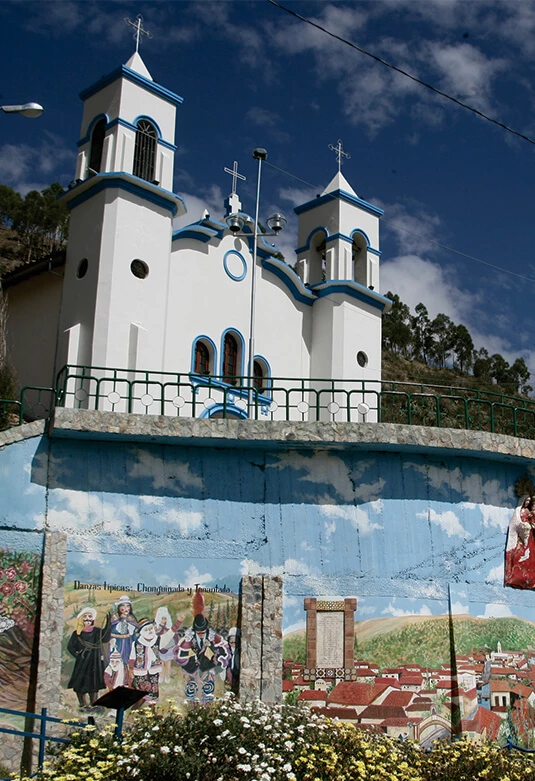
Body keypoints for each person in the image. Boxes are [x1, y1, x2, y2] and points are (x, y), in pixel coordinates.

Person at [175, 591, 231, 703]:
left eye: (203, 632)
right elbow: (179, 654)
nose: (201, 634)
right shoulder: (187, 638)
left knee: (208, 688)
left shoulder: (213, 636)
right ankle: (191, 707)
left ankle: (206, 706)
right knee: (191, 689)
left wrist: (212, 650)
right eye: (199, 632)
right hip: (191, 668)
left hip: (207, 666)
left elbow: (224, 649)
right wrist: (191, 652)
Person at [67, 607, 111, 708]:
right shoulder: (77, 633)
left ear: (93, 619)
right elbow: (70, 646)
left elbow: (105, 638)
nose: (87, 619)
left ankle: (93, 703)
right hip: (82, 662)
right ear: (81, 619)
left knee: (93, 683)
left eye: (89, 616)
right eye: (85, 616)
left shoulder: (96, 631)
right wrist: (77, 654)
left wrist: (109, 624)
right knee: (80, 683)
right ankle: (82, 704)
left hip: (94, 661)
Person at [129, 618, 162, 703]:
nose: (149, 631)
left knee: (154, 684)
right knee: (142, 687)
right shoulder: (136, 643)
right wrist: (131, 669)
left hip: (154, 668)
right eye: (146, 630)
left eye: (150, 628)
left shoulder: (158, 640)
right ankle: (142, 703)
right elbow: (132, 657)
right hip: (140, 670)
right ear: (141, 632)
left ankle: (153, 704)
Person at [505, 496, 535, 589]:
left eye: (529, 501)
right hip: (520, 537)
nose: (527, 502)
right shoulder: (519, 511)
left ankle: (530, 578)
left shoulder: (529, 512)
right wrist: (522, 525)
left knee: (530, 556)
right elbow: (515, 523)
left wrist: (531, 525)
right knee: (518, 555)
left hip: (529, 535)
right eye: (526, 500)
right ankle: (517, 577)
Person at [154, 606, 183, 683]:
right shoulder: (156, 628)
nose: (163, 620)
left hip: (169, 647)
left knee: (168, 662)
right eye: (162, 618)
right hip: (159, 648)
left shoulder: (168, 628)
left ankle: (167, 676)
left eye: (165, 618)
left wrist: (179, 621)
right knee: (160, 663)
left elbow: (173, 631)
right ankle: (160, 676)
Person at [110, 594, 137, 663]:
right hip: (117, 643)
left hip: (128, 643)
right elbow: (110, 631)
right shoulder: (114, 618)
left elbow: (135, 632)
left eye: (128, 606)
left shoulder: (132, 619)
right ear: (119, 607)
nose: (126, 608)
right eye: (123, 606)